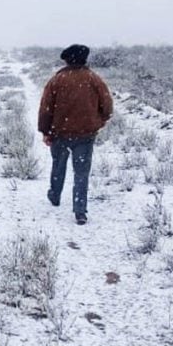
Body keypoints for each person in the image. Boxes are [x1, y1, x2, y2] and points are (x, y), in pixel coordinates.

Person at [37, 44, 113, 225]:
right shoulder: (94, 79)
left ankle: (55, 195)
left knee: (58, 166)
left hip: (60, 133)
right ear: (85, 59)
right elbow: (108, 107)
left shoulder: (57, 80)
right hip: (85, 135)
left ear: (66, 60)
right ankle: (80, 211)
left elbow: (45, 109)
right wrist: (97, 123)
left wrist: (45, 131)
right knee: (81, 173)